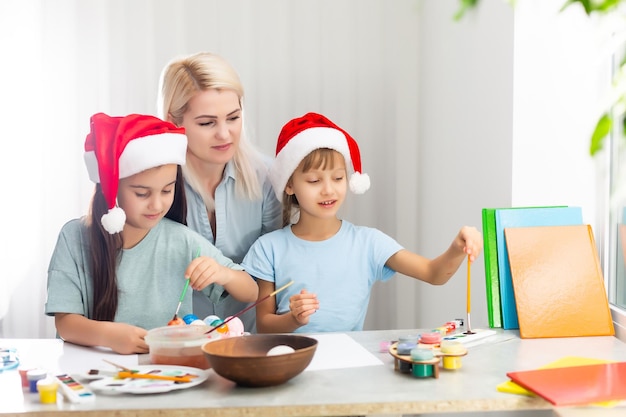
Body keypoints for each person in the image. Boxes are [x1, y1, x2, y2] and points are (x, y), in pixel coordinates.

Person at [241, 112, 483, 333]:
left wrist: (457, 247)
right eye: (314, 181)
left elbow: (434, 274)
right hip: (289, 365)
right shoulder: (269, 248)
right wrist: (294, 319)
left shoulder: (368, 243)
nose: (328, 190)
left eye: (338, 178)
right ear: (290, 185)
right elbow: (264, 325)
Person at [45, 113, 258, 354]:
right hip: (92, 369)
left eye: (167, 191)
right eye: (142, 194)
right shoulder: (73, 237)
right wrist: (109, 335)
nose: (157, 205)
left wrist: (222, 273)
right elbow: (65, 324)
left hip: (169, 369)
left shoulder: (181, 239)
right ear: (111, 190)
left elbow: (251, 290)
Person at [157, 52, 282, 332]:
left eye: (233, 117)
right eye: (207, 123)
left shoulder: (267, 179)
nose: (225, 134)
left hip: (248, 340)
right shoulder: (153, 185)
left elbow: (273, 272)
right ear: (174, 121)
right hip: (174, 341)